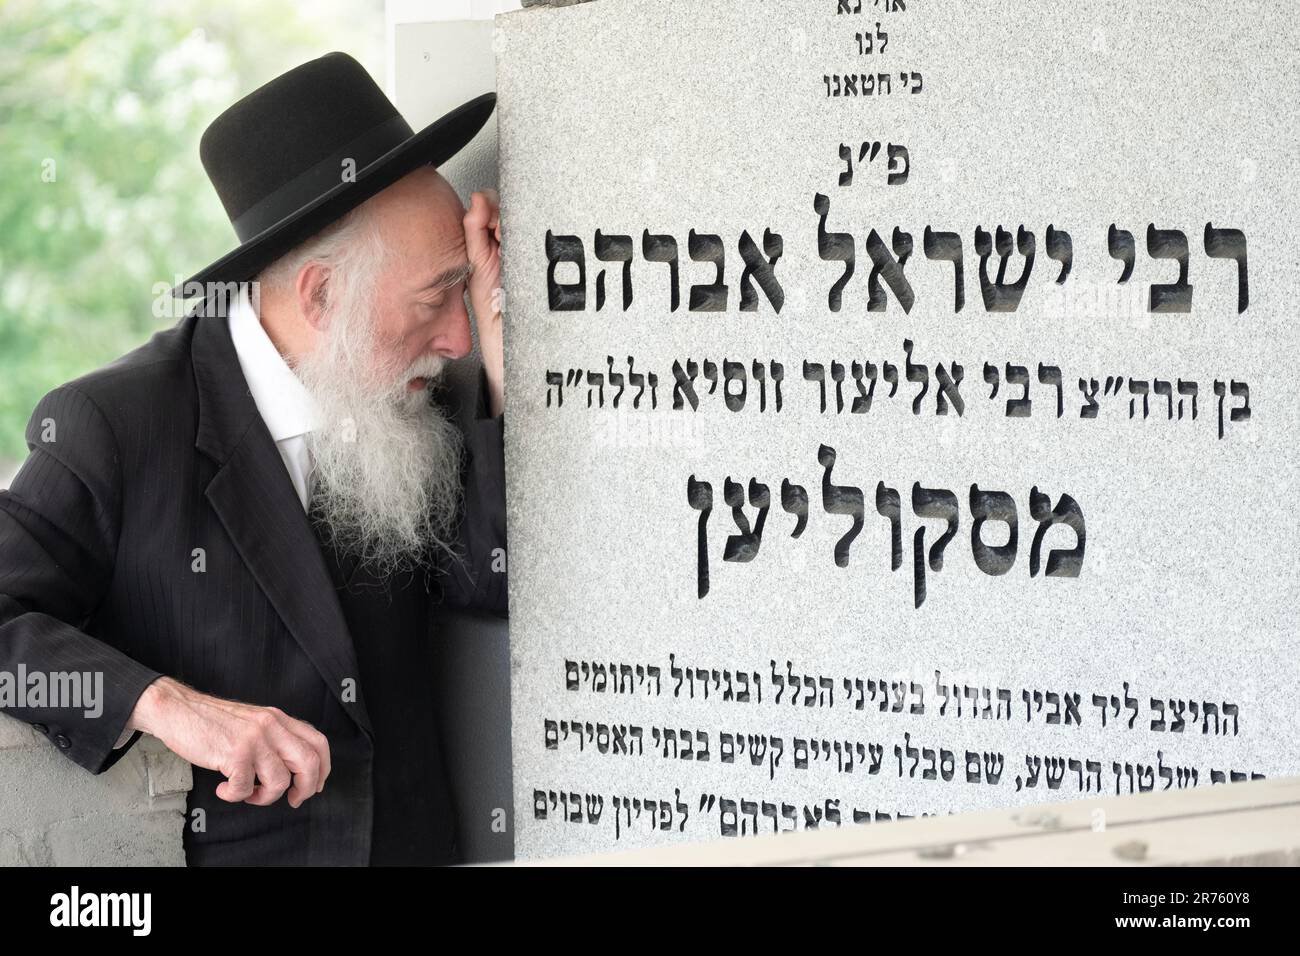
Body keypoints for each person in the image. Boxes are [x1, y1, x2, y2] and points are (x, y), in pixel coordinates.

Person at [0, 52, 507, 865]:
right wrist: (167, 705)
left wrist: (510, 354)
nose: (458, 339)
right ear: (320, 297)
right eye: (435, 298)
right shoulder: (112, 424)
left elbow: (495, 577)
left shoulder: (410, 396)